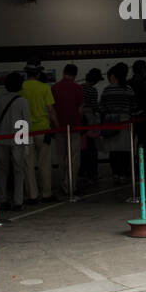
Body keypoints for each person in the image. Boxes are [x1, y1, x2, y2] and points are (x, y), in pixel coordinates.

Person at [0, 72, 30, 213]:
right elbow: (26, 122)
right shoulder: (22, 100)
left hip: (2, 138)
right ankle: (18, 201)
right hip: (18, 138)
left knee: (3, 170)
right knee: (19, 170)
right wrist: (26, 143)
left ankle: (3, 200)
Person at [19, 59, 58, 203]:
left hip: (24, 129)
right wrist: (56, 125)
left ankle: (32, 195)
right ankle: (46, 193)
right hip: (43, 128)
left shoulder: (20, 88)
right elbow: (51, 110)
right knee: (45, 163)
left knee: (28, 164)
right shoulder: (44, 88)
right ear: (38, 73)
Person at [51, 63, 86, 195]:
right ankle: (71, 185)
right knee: (74, 157)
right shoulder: (77, 88)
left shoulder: (54, 88)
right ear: (75, 75)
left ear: (63, 72)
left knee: (61, 158)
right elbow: (80, 109)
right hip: (74, 127)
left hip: (59, 128)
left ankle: (63, 183)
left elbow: (51, 109)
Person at [99, 63, 136, 183]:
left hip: (111, 122)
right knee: (125, 149)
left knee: (113, 150)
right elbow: (133, 107)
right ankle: (123, 174)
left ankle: (115, 173)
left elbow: (102, 107)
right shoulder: (129, 89)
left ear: (114, 76)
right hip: (125, 121)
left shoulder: (107, 90)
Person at [78, 68, 104, 186]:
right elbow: (95, 107)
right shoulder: (92, 90)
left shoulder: (80, 88)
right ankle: (93, 173)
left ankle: (82, 172)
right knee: (92, 148)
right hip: (90, 121)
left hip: (81, 121)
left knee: (83, 148)